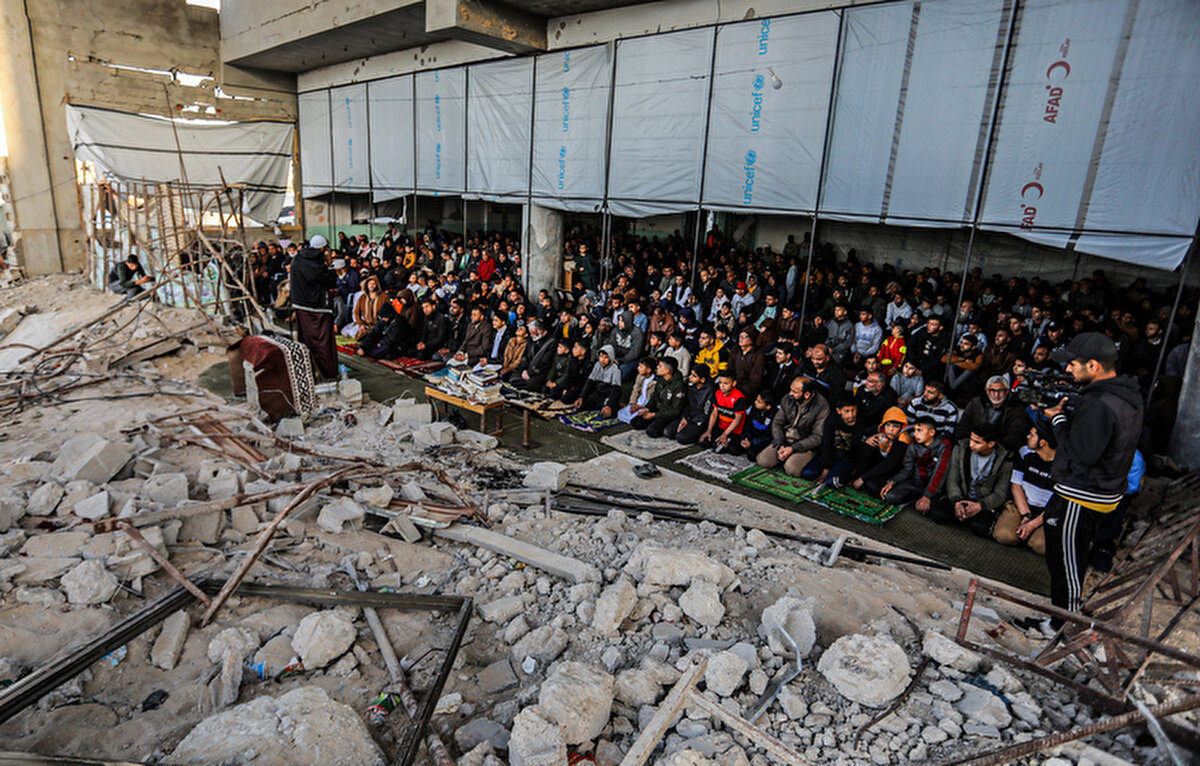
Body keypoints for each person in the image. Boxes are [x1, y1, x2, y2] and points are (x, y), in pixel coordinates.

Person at [1041, 332, 1144, 626]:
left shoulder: (1098, 403)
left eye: (1073, 364)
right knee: (1067, 555)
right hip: (1104, 490)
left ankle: (1064, 627)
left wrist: (1058, 419)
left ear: (1094, 366)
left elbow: (1082, 453)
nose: (1068, 370)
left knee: (1066, 564)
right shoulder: (1126, 394)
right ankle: (1057, 619)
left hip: (1081, 494)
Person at [927, 422, 1013, 538]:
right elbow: (953, 479)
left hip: (983, 501)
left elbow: (1000, 493)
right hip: (962, 495)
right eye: (971, 439)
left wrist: (980, 506)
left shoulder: (1004, 460)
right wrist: (956, 501)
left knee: (980, 528)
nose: (971, 444)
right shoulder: (961, 449)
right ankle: (961, 512)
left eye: (977, 442)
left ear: (991, 444)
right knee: (939, 514)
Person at [993, 423, 1056, 555]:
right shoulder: (1025, 452)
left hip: (1046, 512)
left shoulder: (1063, 465)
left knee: (1041, 546)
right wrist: (1026, 516)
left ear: (1043, 443)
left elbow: (1058, 501)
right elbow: (1016, 485)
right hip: (1022, 505)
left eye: (1032, 435)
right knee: (1004, 536)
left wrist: (1033, 524)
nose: (1027, 436)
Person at [758, 377, 829, 476]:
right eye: (791, 390)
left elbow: (817, 437)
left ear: (807, 395)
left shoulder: (822, 406)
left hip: (803, 444)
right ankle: (784, 455)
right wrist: (780, 443)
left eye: (795, 392)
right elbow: (777, 422)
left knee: (791, 468)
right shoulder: (788, 399)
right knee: (763, 460)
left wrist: (792, 449)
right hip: (785, 439)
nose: (790, 393)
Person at [880, 416, 952, 514]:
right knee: (890, 496)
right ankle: (918, 499)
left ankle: (925, 499)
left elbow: (940, 472)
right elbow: (907, 469)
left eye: (919, 430)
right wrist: (893, 482)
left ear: (932, 432)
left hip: (935, 488)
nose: (915, 434)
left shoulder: (943, 445)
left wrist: (928, 495)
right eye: (914, 430)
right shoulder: (913, 446)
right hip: (916, 483)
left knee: (938, 514)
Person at [290, 235, 338, 378]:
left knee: (306, 339)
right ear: (323, 248)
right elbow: (331, 282)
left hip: (300, 305)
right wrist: (329, 266)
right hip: (318, 307)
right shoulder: (317, 265)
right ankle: (326, 371)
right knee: (323, 342)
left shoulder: (297, 259)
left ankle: (307, 369)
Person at [955, 375, 1030, 453]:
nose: (996, 395)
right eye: (992, 390)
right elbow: (962, 428)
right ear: (986, 390)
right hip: (973, 446)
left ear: (1007, 391)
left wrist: (989, 448)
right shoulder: (976, 403)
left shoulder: (1016, 409)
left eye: (1000, 391)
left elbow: (1014, 438)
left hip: (1001, 452)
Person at [852, 407, 911, 495]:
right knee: (867, 446)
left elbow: (889, 463)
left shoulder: (903, 439)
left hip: (893, 469)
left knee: (872, 487)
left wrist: (863, 478)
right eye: (888, 425)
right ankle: (862, 475)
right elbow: (859, 435)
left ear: (902, 427)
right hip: (879, 463)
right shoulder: (882, 428)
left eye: (895, 426)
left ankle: (865, 479)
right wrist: (866, 439)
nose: (890, 429)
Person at [631, 357, 685, 438]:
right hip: (658, 409)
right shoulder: (660, 379)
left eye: (660, 366)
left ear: (667, 370)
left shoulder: (679, 385)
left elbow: (675, 410)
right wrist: (647, 409)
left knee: (652, 431)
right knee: (635, 422)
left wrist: (654, 415)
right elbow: (654, 396)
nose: (657, 367)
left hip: (667, 414)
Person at [701, 371, 748, 453]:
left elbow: (738, 419)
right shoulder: (718, 393)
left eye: (726, 383)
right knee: (704, 442)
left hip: (734, 430)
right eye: (720, 383)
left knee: (731, 450)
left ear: (734, 383)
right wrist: (709, 430)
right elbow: (714, 413)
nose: (722, 386)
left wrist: (725, 434)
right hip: (721, 427)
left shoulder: (739, 397)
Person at [669, 366, 716, 445]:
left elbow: (706, 413)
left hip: (699, 420)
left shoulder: (710, 390)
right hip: (689, 416)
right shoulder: (691, 386)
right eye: (691, 374)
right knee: (668, 432)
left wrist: (691, 421)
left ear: (702, 379)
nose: (690, 377)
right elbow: (687, 404)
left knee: (681, 437)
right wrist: (685, 418)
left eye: (694, 376)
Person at [576, 345, 624, 416]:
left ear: (611, 358)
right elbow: (590, 382)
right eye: (601, 356)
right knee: (582, 405)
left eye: (606, 357)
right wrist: (581, 397)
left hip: (608, 395)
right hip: (598, 393)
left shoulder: (615, 369)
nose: (602, 360)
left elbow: (616, 389)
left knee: (606, 412)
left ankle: (618, 406)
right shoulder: (597, 365)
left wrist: (609, 405)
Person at [737, 392, 776, 460]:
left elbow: (769, 436)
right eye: (756, 400)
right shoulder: (754, 408)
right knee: (734, 448)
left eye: (759, 402)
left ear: (768, 406)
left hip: (761, 441)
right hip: (751, 436)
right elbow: (748, 424)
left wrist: (752, 443)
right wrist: (746, 437)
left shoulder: (774, 415)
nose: (755, 402)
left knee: (751, 455)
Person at [617, 357, 657, 424]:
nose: (638, 368)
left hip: (645, 407)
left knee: (637, 418)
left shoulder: (655, 382)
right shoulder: (639, 376)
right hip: (637, 404)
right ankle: (632, 420)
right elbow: (635, 391)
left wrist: (640, 407)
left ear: (648, 370)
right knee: (620, 413)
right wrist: (633, 404)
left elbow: (653, 401)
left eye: (641, 367)